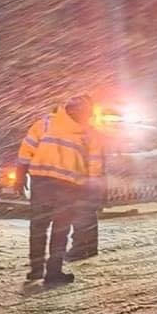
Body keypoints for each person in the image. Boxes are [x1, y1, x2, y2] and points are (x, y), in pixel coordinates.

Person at [16, 93, 104, 285]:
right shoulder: (90, 134)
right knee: (60, 230)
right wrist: (92, 190)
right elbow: (94, 165)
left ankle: (36, 269)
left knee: (38, 227)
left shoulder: (46, 123)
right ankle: (53, 272)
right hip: (69, 187)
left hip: (42, 183)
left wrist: (20, 175)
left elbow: (26, 150)